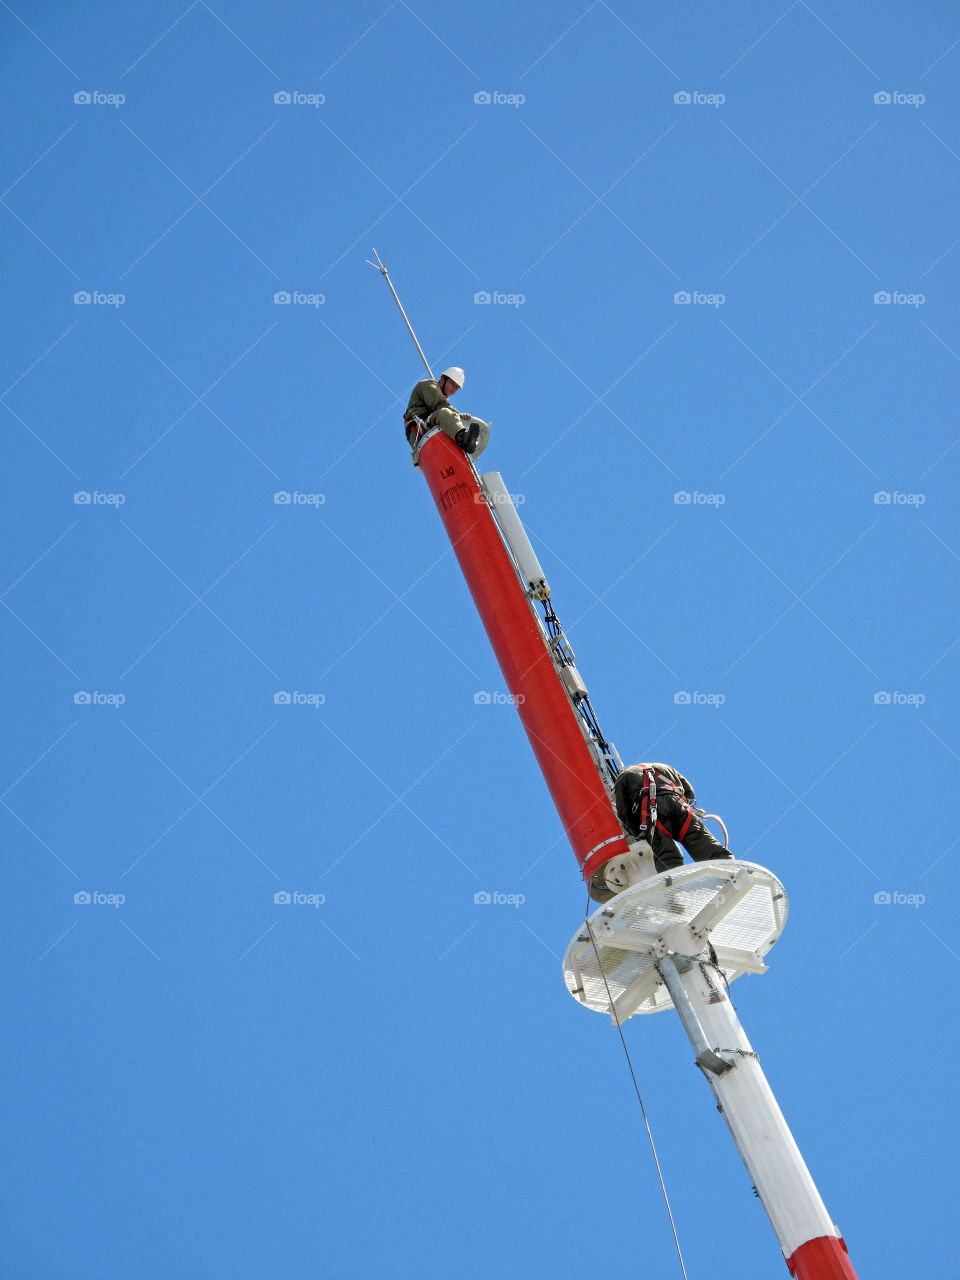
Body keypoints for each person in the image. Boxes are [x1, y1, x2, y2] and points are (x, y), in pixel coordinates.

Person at [613, 762, 733, 873]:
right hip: (680, 806)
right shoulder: (665, 767)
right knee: (698, 838)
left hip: (652, 812)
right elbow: (689, 792)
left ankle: (672, 884)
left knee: (666, 854)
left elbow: (624, 813)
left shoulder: (624, 776)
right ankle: (727, 866)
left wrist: (639, 832)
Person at [404, 367, 488, 456]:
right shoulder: (427, 385)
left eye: (457, 388)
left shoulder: (443, 406)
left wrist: (457, 417)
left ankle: (463, 446)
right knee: (445, 413)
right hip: (419, 431)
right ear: (442, 379)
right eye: (452, 384)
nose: (453, 390)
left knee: (448, 419)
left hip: (431, 427)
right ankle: (463, 438)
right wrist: (457, 415)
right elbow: (438, 402)